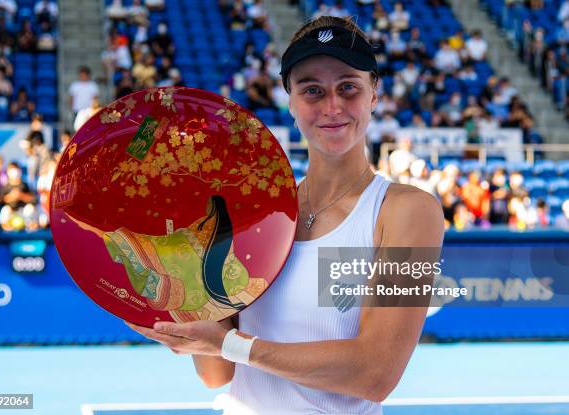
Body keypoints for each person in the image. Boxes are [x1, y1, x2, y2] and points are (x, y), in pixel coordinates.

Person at [126, 16, 444, 414]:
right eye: (312, 90)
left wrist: (230, 344)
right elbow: (216, 374)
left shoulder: (409, 212)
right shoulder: (253, 214)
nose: (332, 106)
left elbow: (376, 374)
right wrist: (187, 305)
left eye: (348, 87)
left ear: (374, 94)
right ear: (289, 101)